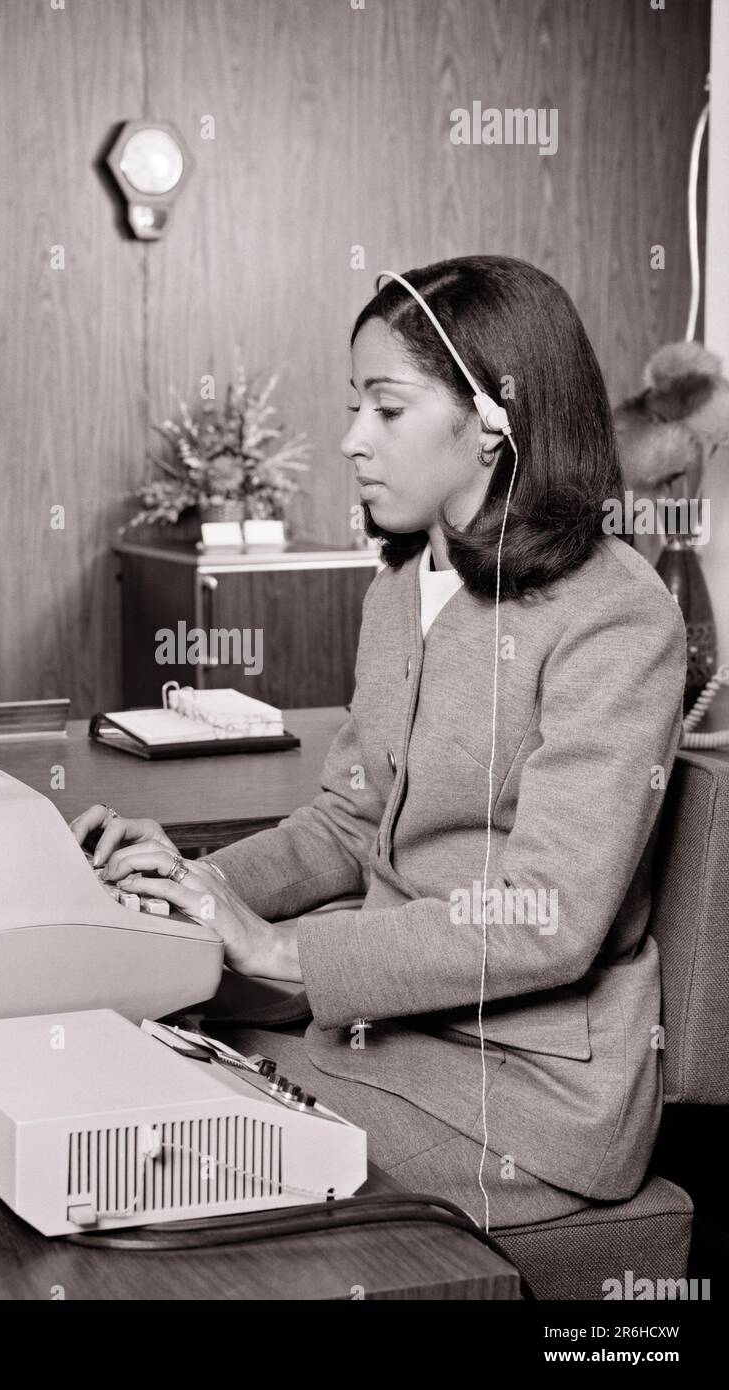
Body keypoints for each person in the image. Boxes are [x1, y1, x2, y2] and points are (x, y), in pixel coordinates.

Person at [70, 255, 686, 1230]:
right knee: (99, 1051)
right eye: (351, 404)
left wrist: (275, 947)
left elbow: (546, 919)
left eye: (385, 409)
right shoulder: (402, 587)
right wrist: (188, 886)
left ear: (492, 422)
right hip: (384, 1025)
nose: (350, 439)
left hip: (519, 1091)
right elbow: (346, 819)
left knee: (146, 1155)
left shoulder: (615, 617)